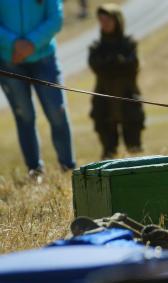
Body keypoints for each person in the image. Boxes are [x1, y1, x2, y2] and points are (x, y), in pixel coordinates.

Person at [0, 0, 76, 179]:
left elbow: (55, 18)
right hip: (9, 59)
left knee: (57, 112)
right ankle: (35, 171)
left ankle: (68, 168)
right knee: (24, 116)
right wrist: (14, 43)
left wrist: (31, 44)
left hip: (44, 59)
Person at [89, 4, 145, 159]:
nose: (105, 23)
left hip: (128, 101)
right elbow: (97, 67)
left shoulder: (129, 44)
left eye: (108, 19)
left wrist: (111, 64)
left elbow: (132, 66)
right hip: (103, 103)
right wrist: (117, 62)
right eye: (101, 20)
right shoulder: (96, 47)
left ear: (117, 21)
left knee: (135, 151)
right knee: (108, 153)